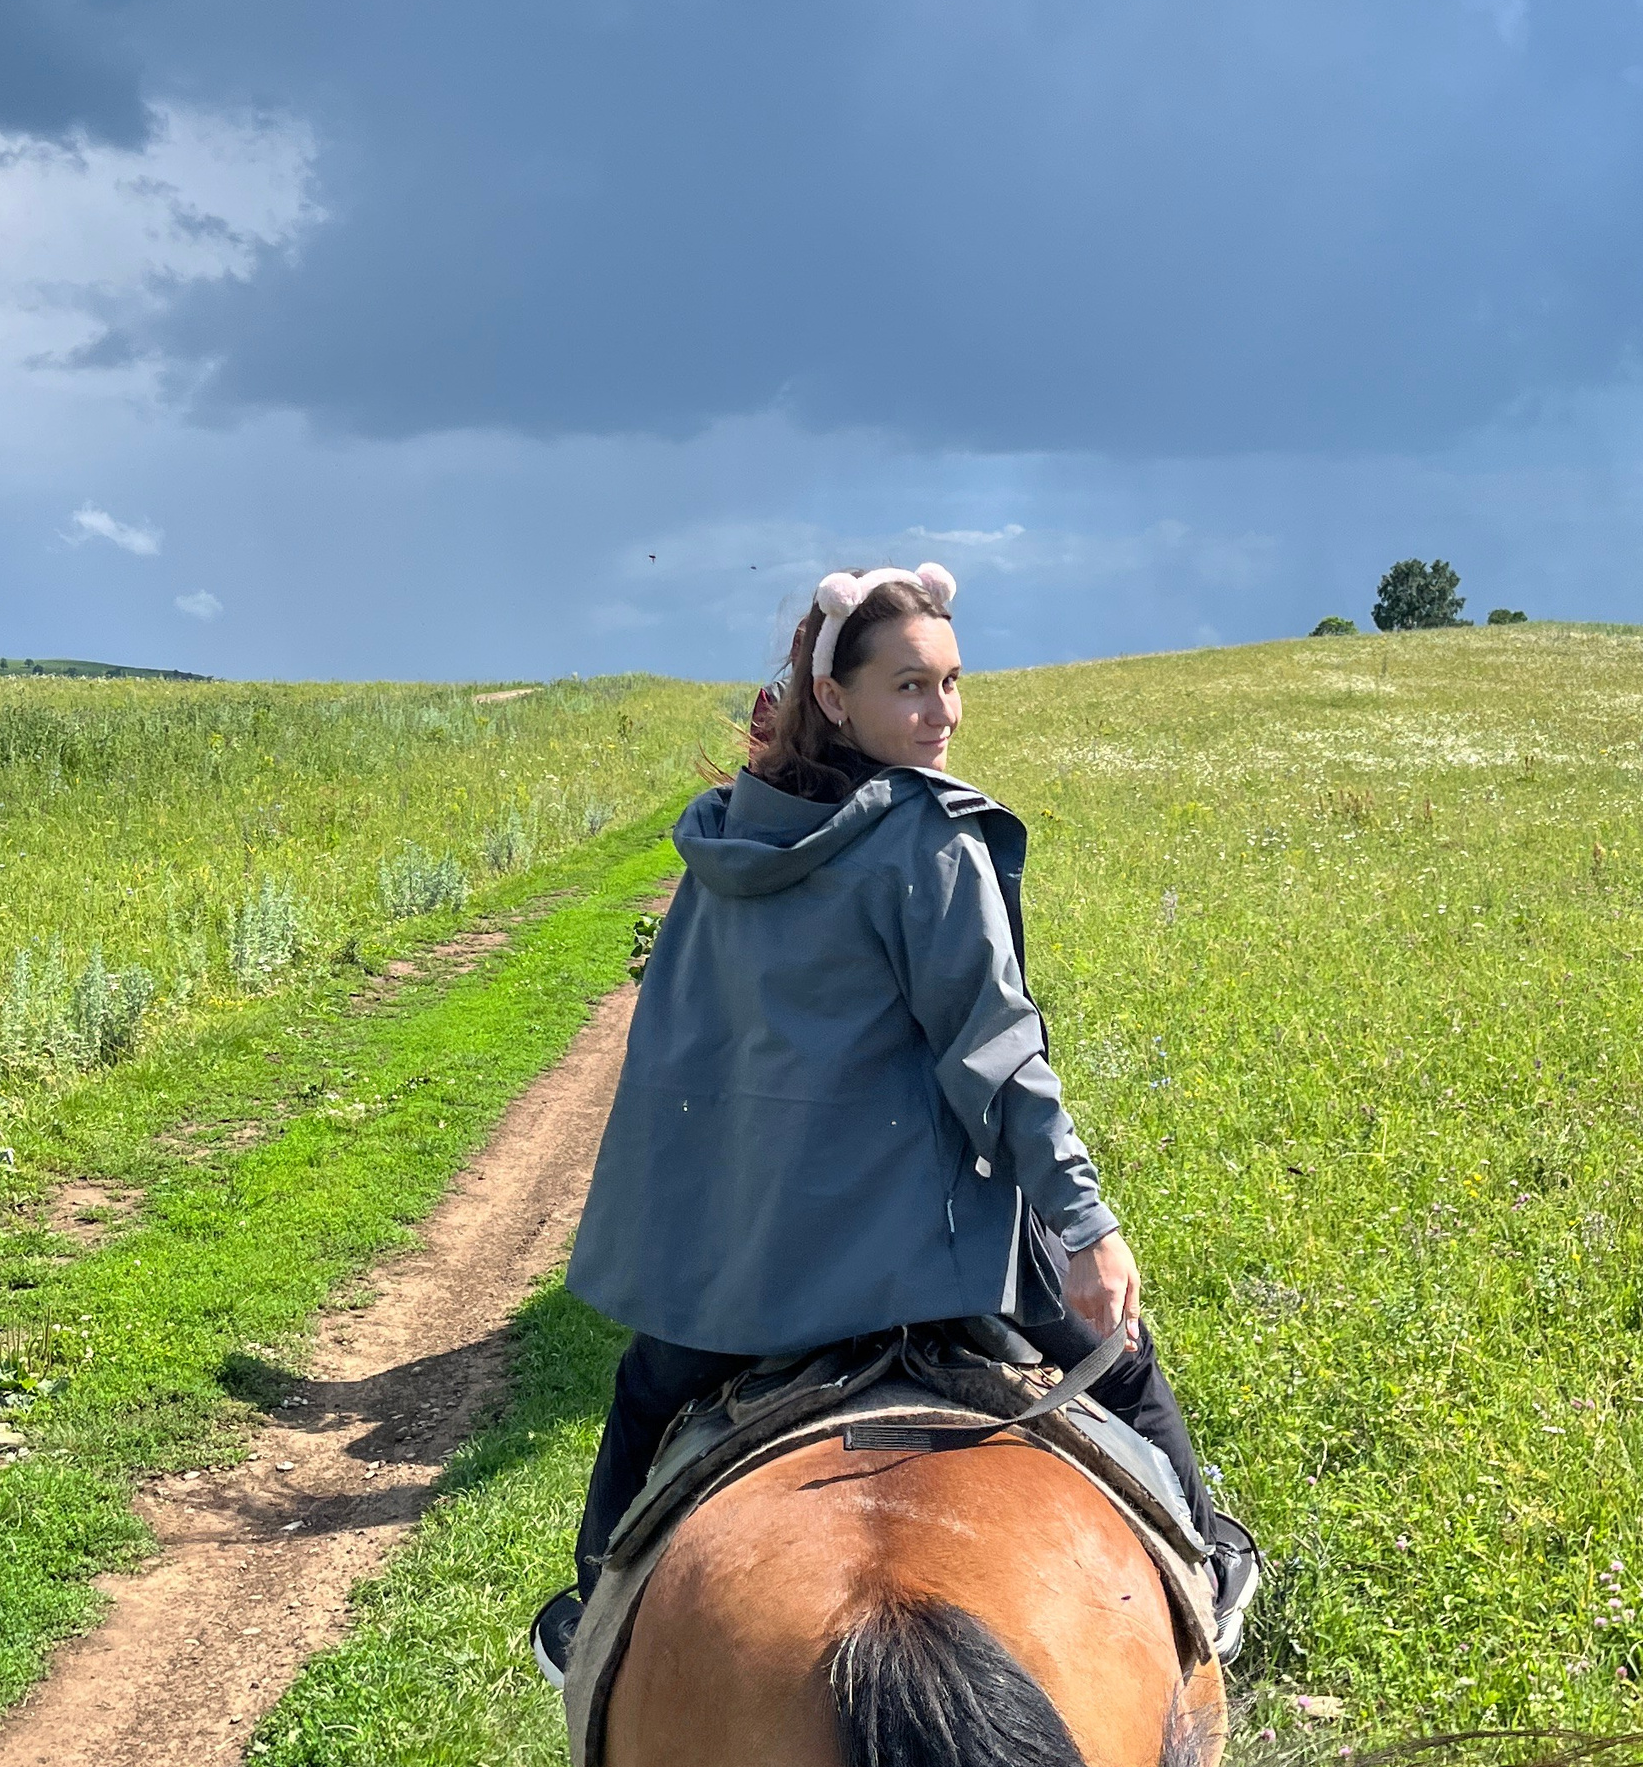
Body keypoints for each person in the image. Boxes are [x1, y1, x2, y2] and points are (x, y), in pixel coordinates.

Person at [531, 559, 1255, 1683]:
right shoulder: (929, 841)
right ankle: (1211, 1559)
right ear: (838, 698)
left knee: (644, 1392)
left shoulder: (724, 843)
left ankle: (589, 1620)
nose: (944, 713)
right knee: (1122, 1362)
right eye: (911, 687)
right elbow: (1001, 1055)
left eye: (953, 682)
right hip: (926, 1255)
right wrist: (1088, 1223)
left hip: (754, 1255)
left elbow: (695, 1050)